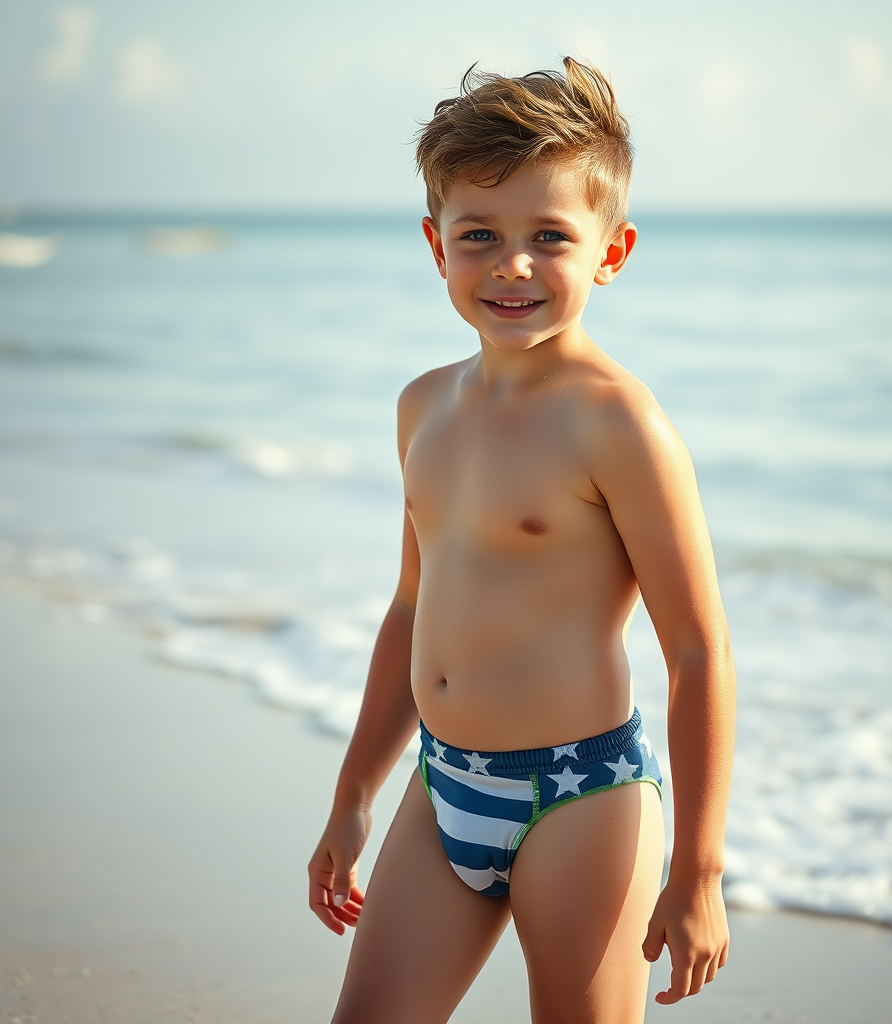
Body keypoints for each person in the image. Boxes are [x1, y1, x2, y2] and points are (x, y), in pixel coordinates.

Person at [308, 57, 736, 1024]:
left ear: (611, 251)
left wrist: (702, 871)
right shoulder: (424, 406)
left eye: (550, 237)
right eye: (480, 236)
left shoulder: (618, 424)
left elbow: (700, 650)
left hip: (580, 798)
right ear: (436, 245)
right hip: (444, 781)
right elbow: (413, 608)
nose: (512, 265)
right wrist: (351, 795)